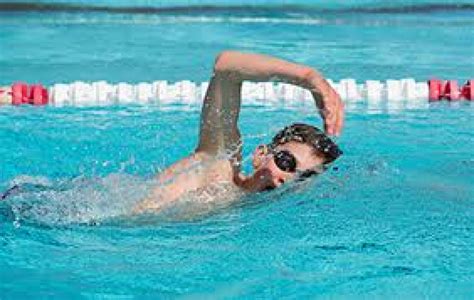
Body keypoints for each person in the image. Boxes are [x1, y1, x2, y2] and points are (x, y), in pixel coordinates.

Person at [133, 51, 344, 213]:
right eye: (287, 162)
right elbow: (226, 67)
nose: (287, 179)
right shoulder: (219, 166)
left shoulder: (242, 210)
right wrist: (309, 78)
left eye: (303, 177)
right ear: (260, 155)